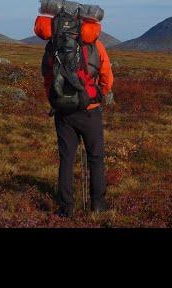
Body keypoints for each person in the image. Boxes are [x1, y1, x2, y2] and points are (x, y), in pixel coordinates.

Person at [41, 36, 114, 218]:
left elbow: (47, 76)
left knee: (66, 159)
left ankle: (66, 208)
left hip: (64, 112)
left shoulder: (54, 45)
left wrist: (57, 100)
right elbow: (106, 75)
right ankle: (98, 205)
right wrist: (97, 95)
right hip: (90, 111)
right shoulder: (95, 45)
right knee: (96, 158)